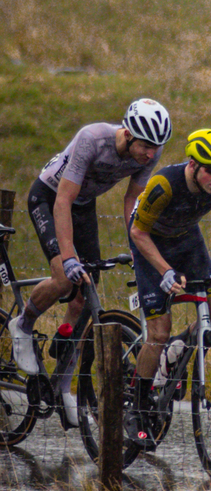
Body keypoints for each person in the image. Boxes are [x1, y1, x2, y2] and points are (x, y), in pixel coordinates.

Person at [11, 99, 172, 415]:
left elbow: (132, 202)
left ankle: (62, 384)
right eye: (147, 146)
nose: (151, 154)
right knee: (64, 277)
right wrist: (68, 257)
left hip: (83, 206)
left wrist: (137, 245)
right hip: (49, 197)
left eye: (157, 147)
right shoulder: (92, 139)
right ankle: (24, 324)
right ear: (128, 134)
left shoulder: (151, 152)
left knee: (87, 291)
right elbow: (63, 200)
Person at [126, 128, 211, 437]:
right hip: (149, 242)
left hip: (186, 238)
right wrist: (165, 271)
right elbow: (138, 232)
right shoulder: (164, 185)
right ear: (193, 164)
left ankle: (177, 351)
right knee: (158, 331)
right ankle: (138, 403)